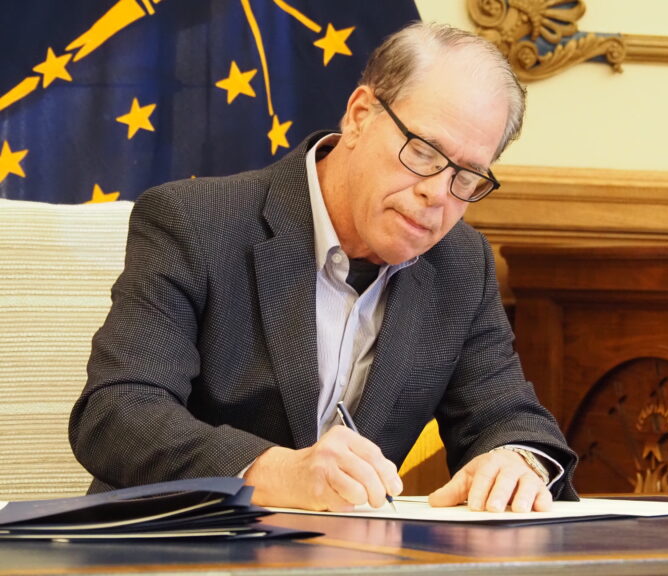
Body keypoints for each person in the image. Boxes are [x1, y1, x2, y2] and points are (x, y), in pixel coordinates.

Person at [69, 21, 578, 513]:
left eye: (466, 177)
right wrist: (268, 471)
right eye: (423, 152)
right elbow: (118, 414)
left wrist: (517, 460)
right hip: (180, 546)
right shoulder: (197, 221)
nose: (437, 194)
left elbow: (506, 416)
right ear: (359, 115)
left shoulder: (459, 263)